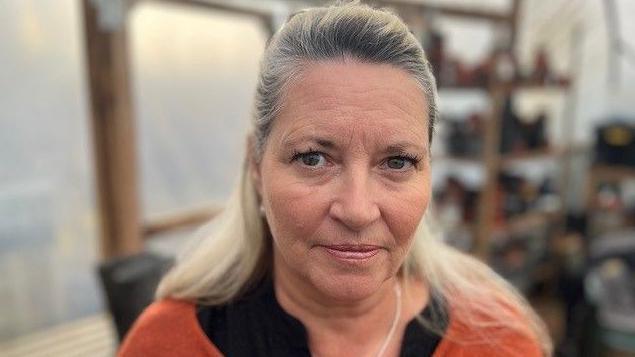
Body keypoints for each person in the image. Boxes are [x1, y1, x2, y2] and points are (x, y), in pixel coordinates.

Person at [119, 1, 551, 356]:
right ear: (255, 167)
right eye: (313, 158)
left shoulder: (496, 342)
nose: (358, 210)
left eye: (397, 162)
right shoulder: (169, 345)